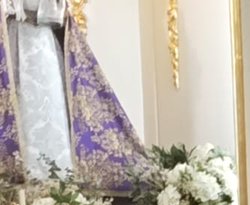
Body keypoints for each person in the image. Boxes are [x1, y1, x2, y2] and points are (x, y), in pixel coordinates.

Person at [0, 0, 145, 189]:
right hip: (10, 38)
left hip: (41, 44)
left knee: (47, 108)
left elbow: (56, 11)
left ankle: (53, 181)